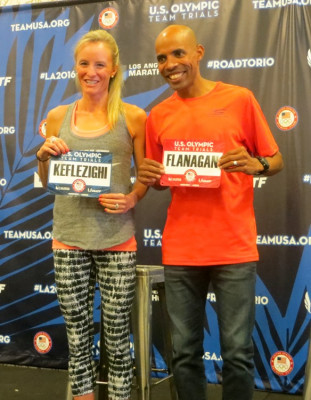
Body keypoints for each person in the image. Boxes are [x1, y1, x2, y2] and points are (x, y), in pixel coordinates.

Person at [138, 24, 284, 400]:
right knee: (184, 353)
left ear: (198, 52)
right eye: (161, 58)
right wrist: (151, 176)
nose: (170, 64)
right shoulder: (159, 115)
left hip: (233, 247)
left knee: (237, 353)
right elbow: (159, 177)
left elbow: (275, 159)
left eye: (178, 54)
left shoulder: (239, 99)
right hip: (182, 249)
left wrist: (256, 165)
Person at [36, 30, 147, 400]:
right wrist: (42, 157)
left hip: (117, 239)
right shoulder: (57, 116)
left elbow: (145, 176)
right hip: (68, 237)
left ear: (114, 69)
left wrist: (132, 199)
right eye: (84, 63)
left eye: (100, 64)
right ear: (76, 68)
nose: (91, 71)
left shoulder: (133, 117)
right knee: (77, 334)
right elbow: (47, 179)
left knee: (117, 335)